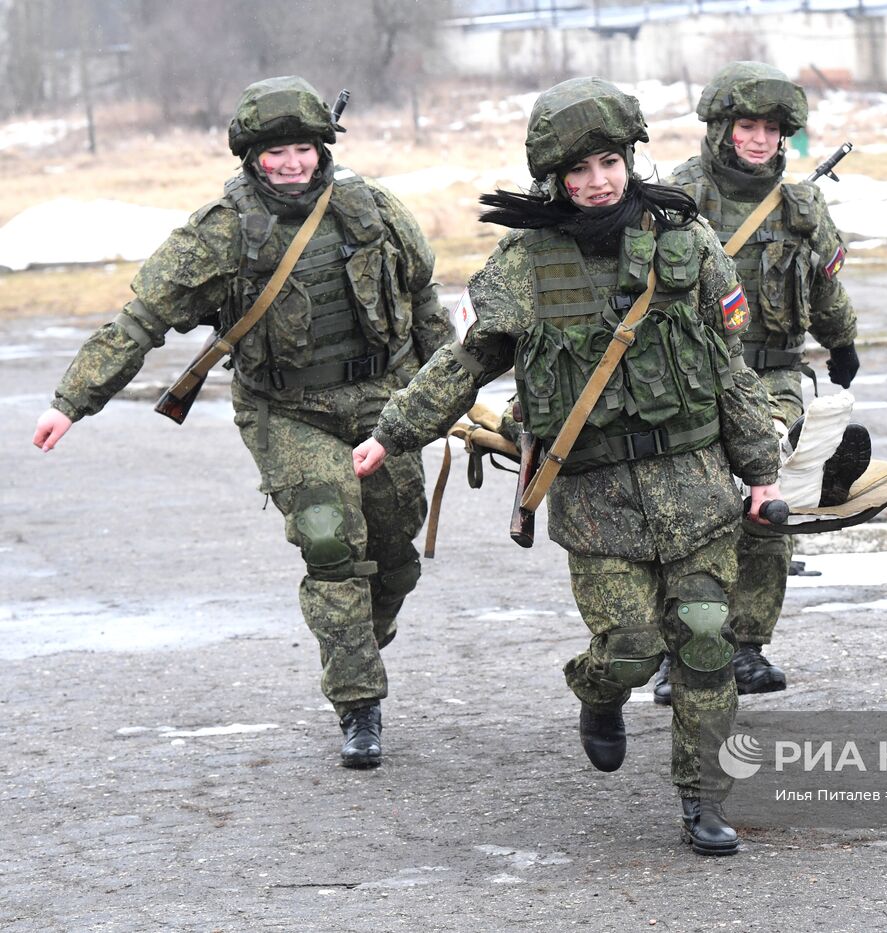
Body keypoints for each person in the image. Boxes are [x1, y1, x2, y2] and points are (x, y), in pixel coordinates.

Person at [351, 77, 781, 856]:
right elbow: (467, 362)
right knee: (631, 645)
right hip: (595, 499)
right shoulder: (526, 263)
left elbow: (731, 369)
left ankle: (702, 797)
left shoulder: (684, 241)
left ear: (629, 160)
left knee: (705, 636)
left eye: (609, 163)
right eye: (578, 169)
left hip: (695, 485)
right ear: (555, 178)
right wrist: (394, 432)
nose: (597, 181)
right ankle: (598, 692)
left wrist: (762, 471)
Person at [31, 76, 450, 770]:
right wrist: (71, 400)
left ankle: (359, 636)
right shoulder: (222, 231)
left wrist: (448, 394)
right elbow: (141, 321)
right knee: (330, 540)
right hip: (287, 410)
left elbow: (425, 301)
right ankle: (359, 704)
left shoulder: (372, 209)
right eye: (275, 152)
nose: (291, 164)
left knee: (394, 555)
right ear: (252, 157)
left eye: (302, 149)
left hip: (383, 400)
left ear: (323, 147)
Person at [654, 61, 860, 703]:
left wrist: (842, 340)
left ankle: (744, 645)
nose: (760, 140)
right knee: (689, 509)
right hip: (689, 379)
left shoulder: (802, 205)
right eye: (748, 127)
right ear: (722, 129)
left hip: (773, 375)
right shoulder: (675, 199)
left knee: (769, 497)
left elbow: (824, 285)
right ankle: (678, 651)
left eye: (772, 130)